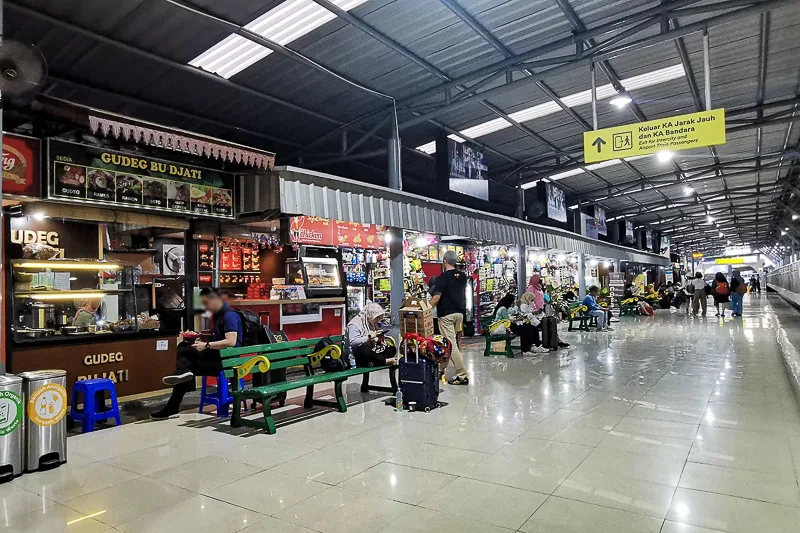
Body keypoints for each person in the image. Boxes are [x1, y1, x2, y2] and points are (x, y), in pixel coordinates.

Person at [151, 287, 243, 420]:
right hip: (220, 358)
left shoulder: (229, 315)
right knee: (184, 349)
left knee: (186, 364)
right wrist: (202, 341)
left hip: (227, 363)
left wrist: (206, 345)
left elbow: (231, 341)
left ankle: (172, 406)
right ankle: (179, 380)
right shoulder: (220, 316)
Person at [431, 251, 469, 385]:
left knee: (451, 345)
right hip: (459, 314)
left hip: (446, 314)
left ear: (445, 261)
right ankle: (442, 370)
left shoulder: (443, 277)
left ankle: (462, 375)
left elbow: (436, 298)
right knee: (448, 343)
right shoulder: (463, 276)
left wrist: (425, 308)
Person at [347, 301, 398, 368]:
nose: (378, 320)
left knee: (392, 349)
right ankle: (385, 361)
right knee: (365, 350)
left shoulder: (370, 322)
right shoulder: (355, 324)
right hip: (356, 353)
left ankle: (373, 362)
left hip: (371, 351)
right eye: (377, 318)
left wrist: (378, 339)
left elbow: (374, 341)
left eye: (380, 318)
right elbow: (353, 342)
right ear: (371, 315)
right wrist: (369, 337)